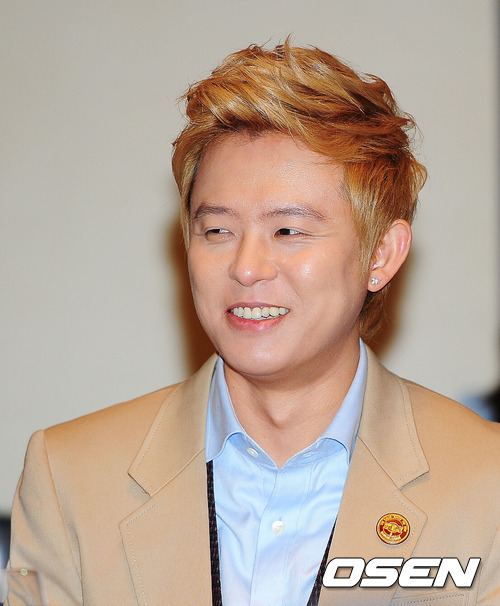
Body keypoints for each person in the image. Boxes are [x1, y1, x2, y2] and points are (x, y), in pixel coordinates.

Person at [8, 40, 500, 606]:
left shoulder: (485, 483)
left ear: (381, 254)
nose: (245, 267)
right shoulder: (70, 478)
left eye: (288, 231)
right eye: (217, 231)